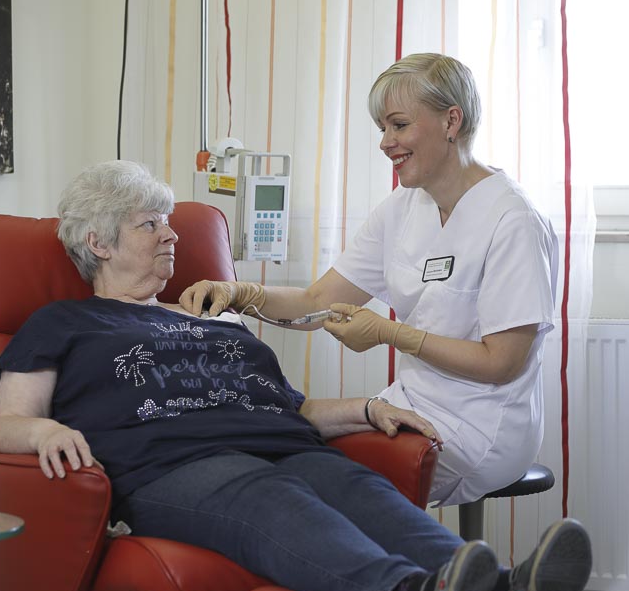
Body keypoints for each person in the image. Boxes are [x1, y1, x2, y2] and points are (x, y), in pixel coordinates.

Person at [0, 160, 589, 591]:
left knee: (357, 487)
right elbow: (6, 424)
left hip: (284, 444)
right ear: (99, 243)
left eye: (170, 222)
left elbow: (293, 409)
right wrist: (45, 429)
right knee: (271, 497)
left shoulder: (212, 316)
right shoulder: (63, 325)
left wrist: (368, 408)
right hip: (171, 468)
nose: (171, 235)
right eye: (150, 225)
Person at [180, 53, 559, 508]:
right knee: (295, 461)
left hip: (483, 423)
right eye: (382, 128)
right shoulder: (403, 207)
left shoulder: (512, 220)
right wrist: (241, 295)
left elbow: (502, 363)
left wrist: (389, 333)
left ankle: (438, 578)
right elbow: (316, 301)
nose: (385, 142)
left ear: (450, 121)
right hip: (409, 401)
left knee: (329, 488)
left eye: (398, 125)